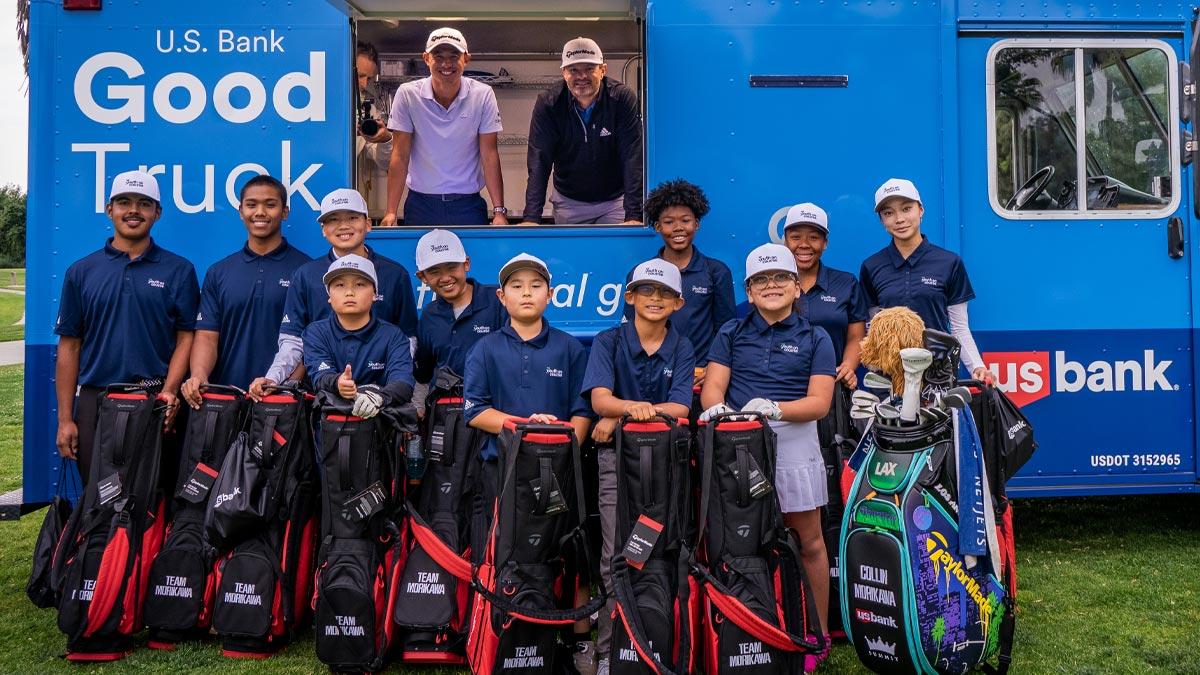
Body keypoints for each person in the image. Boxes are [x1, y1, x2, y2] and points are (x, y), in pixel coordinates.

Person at [699, 242, 836, 673]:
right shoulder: (731, 333)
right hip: (740, 447)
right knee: (742, 542)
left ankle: (816, 633)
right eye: (761, 280)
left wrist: (776, 408)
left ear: (797, 287)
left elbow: (819, 403)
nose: (771, 286)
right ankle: (750, 624)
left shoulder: (816, 337)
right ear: (749, 289)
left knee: (809, 541)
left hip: (795, 447)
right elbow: (713, 387)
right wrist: (717, 410)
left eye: (780, 278)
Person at [463, 253, 596, 673]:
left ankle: (575, 642)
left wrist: (558, 446)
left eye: (535, 285)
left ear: (551, 295)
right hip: (500, 474)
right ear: (501, 297)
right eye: (516, 286)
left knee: (566, 556)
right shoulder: (484, 348)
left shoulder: (570, 348)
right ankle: (499, 635)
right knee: (500, 555)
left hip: (558, 473)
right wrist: (523, 428)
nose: (526, 293)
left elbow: (583, 411)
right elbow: (475, 411)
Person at [581, 258, 693, 675]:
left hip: (667, 467)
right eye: (647, 291)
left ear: (678, 303)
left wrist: (620, 416)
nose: (655, 299)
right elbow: (598, 402)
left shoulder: (681, 346)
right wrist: (628, 410)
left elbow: (681, 407)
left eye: (664, 293)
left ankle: (660, 644)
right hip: (616, 464)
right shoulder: (608, 340)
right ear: (629, 297)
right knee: (616, 556)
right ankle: (611, 654)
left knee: (658, 553)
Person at [54, 171, 200, 482]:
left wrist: (171, 391)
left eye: (144, 203)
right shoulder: (81, 271)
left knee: (153, 500)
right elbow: (69, 346)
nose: (133, 210)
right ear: (110, 210)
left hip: (155, 399)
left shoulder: (179, 270)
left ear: (156, 213)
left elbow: (186, 337)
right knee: (99, 499)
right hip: (96, 401)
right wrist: (66, 419)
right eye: (124, 202)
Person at [249, 188, 417, 399]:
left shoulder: (395, 274)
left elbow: (407, 340)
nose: (344, 226)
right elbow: (292, 341)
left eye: (353, 217)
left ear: (367, 224)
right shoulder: (305, 275)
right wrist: (273, 378)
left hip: (382, 401)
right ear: (323, 229)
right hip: (323, 397)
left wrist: (392, 389)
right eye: (333, 219)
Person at [180, 176, 311, 408]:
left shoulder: (306, 270)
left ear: (285, 212)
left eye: (270, 204)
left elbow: (312, 340)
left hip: (283, 403)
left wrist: (286, 388)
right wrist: (199, 376)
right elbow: (207, 336)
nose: (260, 212)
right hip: (226, 400)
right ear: (241, 211)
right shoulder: (219, 272)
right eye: (251, 205)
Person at [859, 178, 995, 384]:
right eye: (889, 213)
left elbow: (959, 328)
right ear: (881, 220)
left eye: (906, 209)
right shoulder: (871, 266)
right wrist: (879, 366)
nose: (899, 219)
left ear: (920, 210)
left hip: (937, 377)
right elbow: (873, 328)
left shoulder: (949, 262)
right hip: (888, 382)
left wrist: (978, 367)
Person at [381, 27, 507, 227]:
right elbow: (400, 154)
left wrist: (499, 211)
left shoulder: (483, 95)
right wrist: (390, 212)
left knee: (472, 259)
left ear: (466, 58)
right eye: (438, 56)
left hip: (468, 205)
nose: (446, 64)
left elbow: (489, 154)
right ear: (426, 58)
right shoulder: (407, 95)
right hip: (421, 205)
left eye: (454, 56)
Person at [623, 179, 734, 393]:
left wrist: (714, 370)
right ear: (657, 226)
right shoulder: (639, 274)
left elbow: (726, 331)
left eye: (685, 220)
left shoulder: (716, 272)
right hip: (652, 379)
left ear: (697, 224)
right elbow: (629, 330)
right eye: (668, 222)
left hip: (699, 379)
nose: (678, 228)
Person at [522, 37, 643, 225]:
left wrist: (634, 215)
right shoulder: (549, 103)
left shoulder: (622, 99)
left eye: (589, 69)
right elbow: (539, 160)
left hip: (615, 202)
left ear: (603, 70)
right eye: (574, 70)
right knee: (569, 255)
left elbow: (632, 157)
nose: (581, 77)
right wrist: (531, 218)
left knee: (616, 254)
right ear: (564, 73)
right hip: (570, 202)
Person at [303, 255, 414, 417]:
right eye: (339, 285)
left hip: (380, 430)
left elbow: (403, 382)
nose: (349, 292)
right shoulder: (315, 332)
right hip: (329, 433)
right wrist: (338, 383)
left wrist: (377, 397)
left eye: (360, 284)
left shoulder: (393, 335)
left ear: (375, 294)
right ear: (329, 296)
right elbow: (320, 377)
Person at [782, 202, 868, 389]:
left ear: (825, 243)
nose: (804, 245)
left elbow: (857, 336)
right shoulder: (772, 284)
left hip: (833, 385)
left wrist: (848, 366)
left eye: (813, 237)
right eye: (796, 237)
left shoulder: (846, 283)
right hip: (781, 386)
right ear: (785, 241)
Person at [412, 228, 506, 385]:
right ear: (423, 277)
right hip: (445, 404)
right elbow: (423, 375)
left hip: (494, 405)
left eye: (451, 267)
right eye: (434, 272)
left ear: (466, 264)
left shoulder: (499, 300)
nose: (445, 278)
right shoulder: (429, 315)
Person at [355, 41, 394, 219]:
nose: (364, 84)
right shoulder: (318, 104)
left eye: (369, 78)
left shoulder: (368, 110)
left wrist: (385, 140)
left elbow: (384, 163)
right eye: (360, 76)